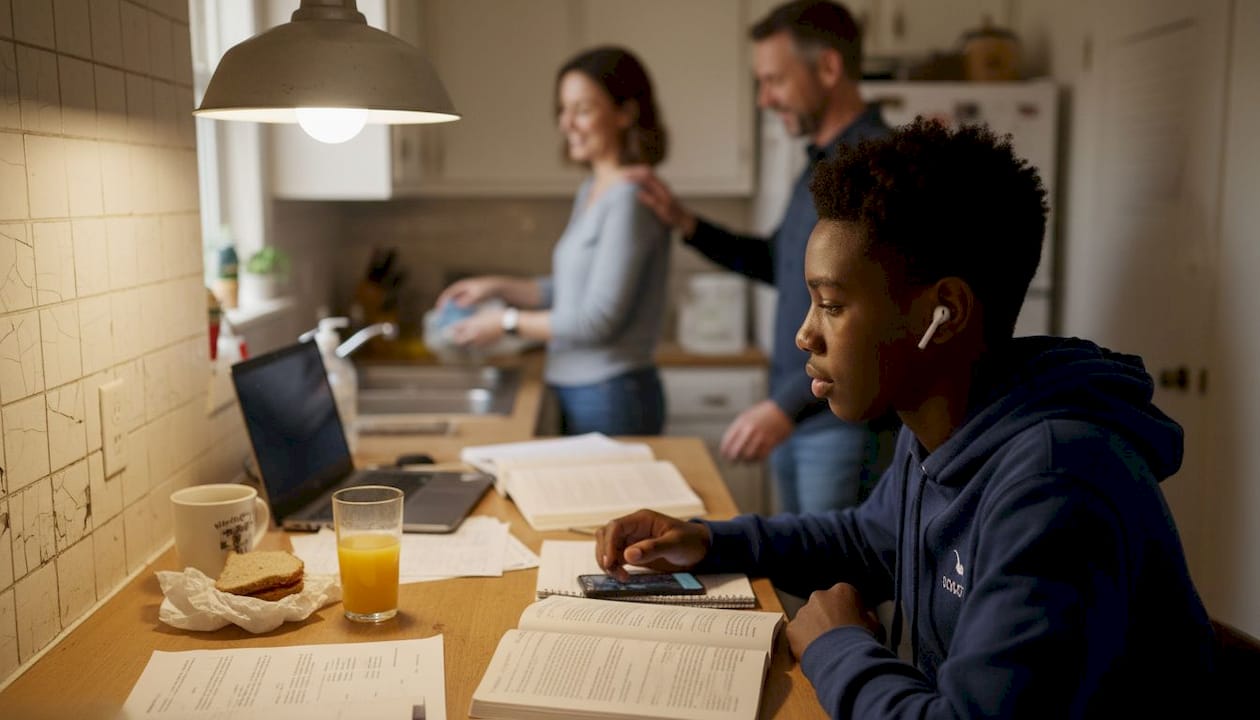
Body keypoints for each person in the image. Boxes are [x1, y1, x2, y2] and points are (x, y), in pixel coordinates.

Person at [595, 120, 1215, 717]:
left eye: (832, 305)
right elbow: (867, 539)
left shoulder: (1056, 484)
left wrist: (837, 644)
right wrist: (709, 540)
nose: (804, 334)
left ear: (943, 311)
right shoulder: (945, 427)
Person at [631, 0, 890, 513]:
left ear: (829, 68)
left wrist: (784, 406)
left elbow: (872, 314)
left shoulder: (873, 166)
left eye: (774, 80)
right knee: (802, 580)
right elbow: (779, 262)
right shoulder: (819, 163)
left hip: (840, 422)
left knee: (835, 582)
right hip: (804, 411)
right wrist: (688, 224)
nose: (764, 99)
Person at [436, 46, 671, 436]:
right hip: (586, 390)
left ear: (625, 114)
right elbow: (573, 292)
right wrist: (496, 286)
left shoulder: (631, 199)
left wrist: (506, 323)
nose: (566, 124)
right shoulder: (595, 189)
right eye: (563, 110)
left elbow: (596, 320)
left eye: (582, 109)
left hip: (611, 394)